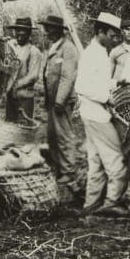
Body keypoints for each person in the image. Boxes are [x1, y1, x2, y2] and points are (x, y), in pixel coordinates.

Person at [76, 12, 127, 216]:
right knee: (116, 160)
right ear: (100, 32)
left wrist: (115, 83)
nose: (115, 40)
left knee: (96, 161)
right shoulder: (92, 54)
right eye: (112, 35)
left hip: (91, 113)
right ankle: (111, 202)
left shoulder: (100, 52)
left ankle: (90, 204)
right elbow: (81, 86)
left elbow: (98, 82)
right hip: (97, 114)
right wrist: (107, 98)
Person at [41, 14, 82, 202]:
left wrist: (60, 100)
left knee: (64, 135)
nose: (47, 31)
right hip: (52, 100)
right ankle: (59, 168)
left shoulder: (68, 48)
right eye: (46, 28)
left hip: (61, 101)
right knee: (53, 136)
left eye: (50, 28)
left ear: (59, 30)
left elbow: (67, 76)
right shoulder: (54, 47)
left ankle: (69, 171)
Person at [5, 17, 43, 124]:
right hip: (10, 96)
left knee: (23, 127)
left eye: (23, 30)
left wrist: (16, 84)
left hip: (24, 96)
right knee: (10, 126)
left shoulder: (34, 51)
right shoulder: (12, 47)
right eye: (17, 30)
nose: (19, 33)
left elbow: (33, 76)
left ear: (29, 33)